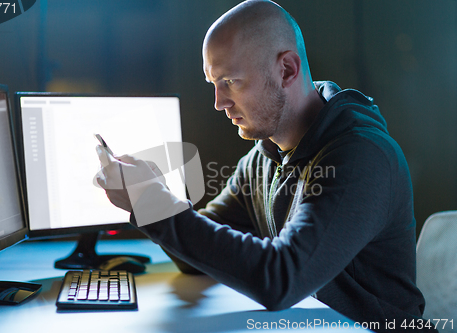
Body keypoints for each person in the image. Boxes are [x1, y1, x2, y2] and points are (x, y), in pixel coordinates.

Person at [96, 1, 436, 331]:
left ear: (286, 69)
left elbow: (281, 279)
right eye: (213, 84)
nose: (219, 102)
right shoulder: (264, 158)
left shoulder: (361, 156)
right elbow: (195, 257)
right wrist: (155, 195)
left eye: (230, 81)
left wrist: (153, 203)